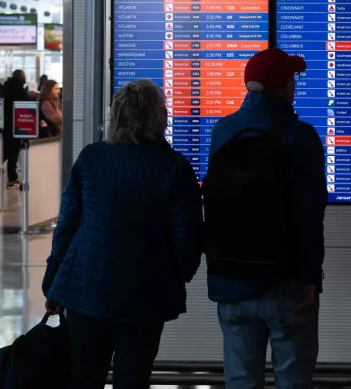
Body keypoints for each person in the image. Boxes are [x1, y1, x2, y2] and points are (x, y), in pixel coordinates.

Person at [42, 79, 202, 389]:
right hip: (146, 294)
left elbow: (67, 226)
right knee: (134, 377)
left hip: (87, 290)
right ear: (158, 117)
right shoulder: (174, 167)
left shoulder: (91, 158)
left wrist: (54, 283)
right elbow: (186, 236)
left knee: (85, 377)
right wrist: (179, 273)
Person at [205, 48, 326, 389]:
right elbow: (310, 212)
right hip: (285, 284)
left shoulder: (222, 131)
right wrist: (308, 276)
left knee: (241, 382)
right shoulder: (299, 135)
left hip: (230, 282)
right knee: (293, 380)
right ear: (285, 86)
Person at [0, 70, 30, 188]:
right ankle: (11, 177)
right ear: (21, 78)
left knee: (8, 151)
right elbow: (24, 102)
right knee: (12, 152)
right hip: (15, 124)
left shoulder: (7, 88)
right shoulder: (18, 90)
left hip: (7, 125)